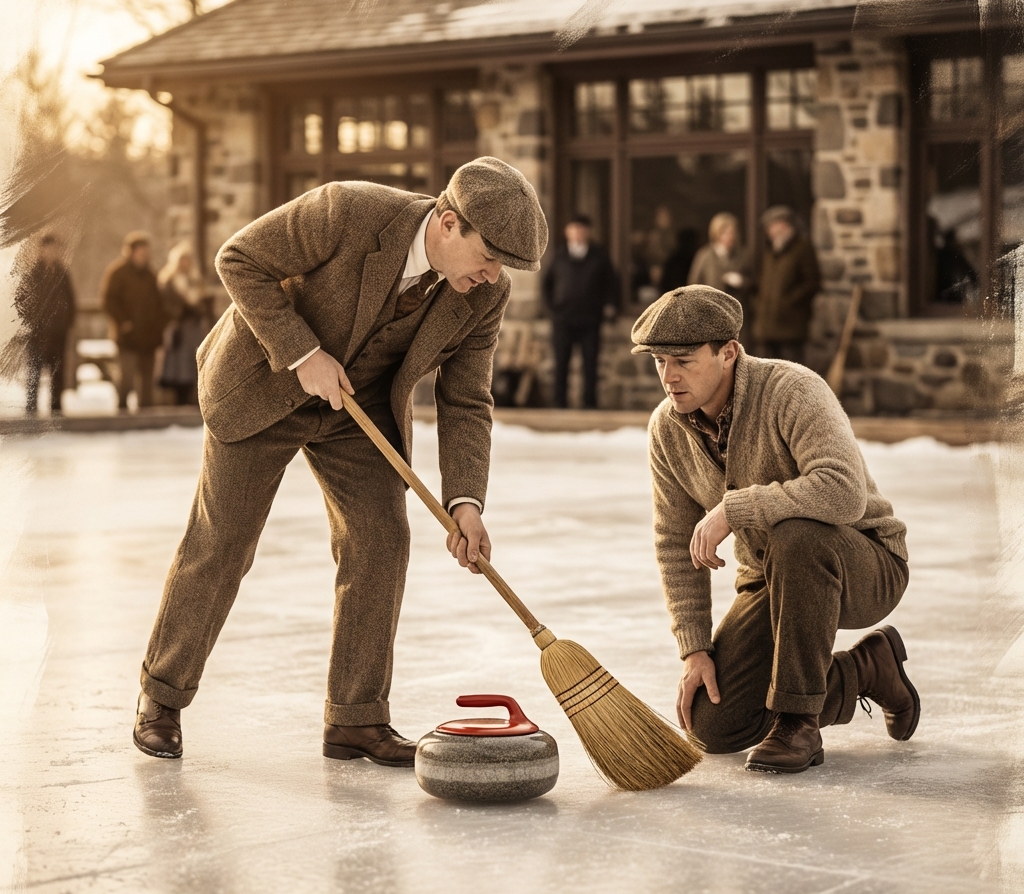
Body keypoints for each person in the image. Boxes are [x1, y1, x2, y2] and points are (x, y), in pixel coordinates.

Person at [133, 157, 548, 765]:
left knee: (382, 539)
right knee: (224, 540)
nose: (492, 275)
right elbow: (238, 259)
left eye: (504, 267)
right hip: (263, 386)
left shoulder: (484, 296)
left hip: (361, 410)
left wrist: (465, 501)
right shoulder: (349, 212)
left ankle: (356, 719)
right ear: (449, 221)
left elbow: (465, 399)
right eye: (489, 256)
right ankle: (161, 696)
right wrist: (301, 352)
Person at [633, 285, 918, 774]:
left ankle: (798, 721)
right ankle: (868, 669)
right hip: (769, 576)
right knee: (715, 725)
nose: (668, 376)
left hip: (863, 562)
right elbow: (674, 543)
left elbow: (843, 492)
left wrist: (733, 509)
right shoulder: (666, 429)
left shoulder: (791, 389)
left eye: (682, 360)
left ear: (728, 353)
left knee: (797, 535)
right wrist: (695, 647)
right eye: (659, 361)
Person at [542, 215, 618, 409]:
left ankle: (589, 403)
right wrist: (552, 310)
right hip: (563, 319)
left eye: (582, 229)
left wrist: (609, 307)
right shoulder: (558, 256)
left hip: (590, 319)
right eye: (574, 229)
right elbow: (546, 286)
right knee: (561, 363)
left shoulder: (599, 256)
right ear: (567, 232)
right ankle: (559, 403)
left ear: (588, 232)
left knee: (590, 364)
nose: (578, 233)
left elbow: (611, 284)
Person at [101, 231, 168, 409]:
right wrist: (123, 322)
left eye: (146, 252)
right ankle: (122, 412)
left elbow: (159, 305)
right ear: (131, 252)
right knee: (126, 380)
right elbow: (109, 301)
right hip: (127, 336)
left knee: (147, 382)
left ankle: (145, 416)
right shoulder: (117, 273)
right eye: (141, 252)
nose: (145, 256)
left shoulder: (151, 275)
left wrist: (159, 328)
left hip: (149, 336)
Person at [14, 232, 76, 415]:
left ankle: (56, 411)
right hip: (37, 334)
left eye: (56, 248)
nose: (53, 251)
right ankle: (31, 411)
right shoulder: (32, 274)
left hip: (59, 333)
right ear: (41, 250)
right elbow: (21, 302)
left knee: (58, 374)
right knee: (34, 372)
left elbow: (71, 302)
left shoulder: (63, 274)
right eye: (49, 247)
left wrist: (67, 323)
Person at [750, 205, 820, 363]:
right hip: (768, 324)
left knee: (793, 371)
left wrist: (788, 302)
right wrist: (759, 304)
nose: (769, 231)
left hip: (791, 326)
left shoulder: (802, 249)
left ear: (784, 225)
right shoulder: (770, 251)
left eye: (772, 226)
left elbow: (812, 283)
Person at [157, 241, 215, 406]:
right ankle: (178, 397)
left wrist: (201, 309)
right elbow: (166, 305)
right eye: (182, 260)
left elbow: (205, 304)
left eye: (187, 260)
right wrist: (179, 313)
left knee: (193, 362)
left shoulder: (196, 280)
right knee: (177, 364)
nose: (185, 263)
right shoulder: (169, 280)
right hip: (178, 327)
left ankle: (193, 397)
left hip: (195, 327)